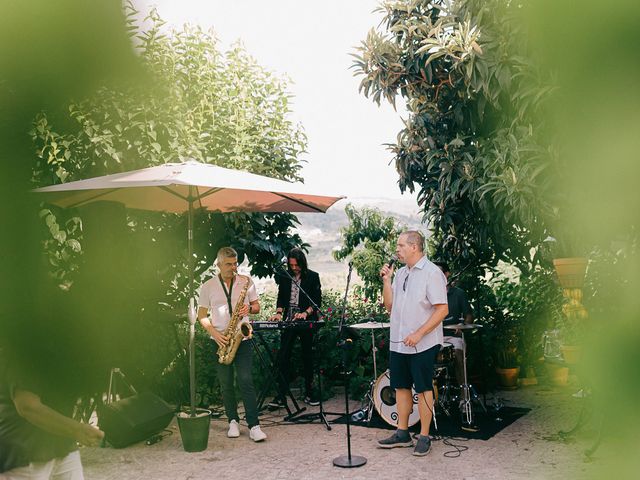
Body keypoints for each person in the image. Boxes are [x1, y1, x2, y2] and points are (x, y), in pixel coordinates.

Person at [377, 231, 448, 457]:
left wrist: (419, 333)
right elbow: (389, 306)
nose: (397, 250)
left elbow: (442, 309)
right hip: (399, 341)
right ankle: (402, 433)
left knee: (424, 388)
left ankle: (425, 435)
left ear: (414, 247)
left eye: (400, 245)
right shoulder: (400, 274)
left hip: (423, 343)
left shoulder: (432, 273)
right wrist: (386, 281)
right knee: (401, 387)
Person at [197, 247, 267, 442]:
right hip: (220, 341)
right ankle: (233, 421)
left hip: (242, 338)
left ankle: (254, 425)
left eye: (235, 263)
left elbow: (256, 306)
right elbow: (201, 316)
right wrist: (216, 335)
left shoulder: (246, 282)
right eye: (229, 264)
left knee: (246, 380)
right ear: (218, 264)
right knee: (226, 383)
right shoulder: (208, 286)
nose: (233, 267)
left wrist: (249, 308)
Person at [0, 349, 104, 479]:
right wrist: (77, 429)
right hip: (25, 451)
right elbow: (28, 407)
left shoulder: (53, 347)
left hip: (62, 443)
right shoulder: (18, 349)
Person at [269, 248, 322, 407]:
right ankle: (281, 395)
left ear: (302, 263)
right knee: (283, 356)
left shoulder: (313, 276)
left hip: (305, 320)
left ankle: (309, 393)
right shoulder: (285, 276)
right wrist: (279, 313)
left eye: (296, 265)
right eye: (291, 265)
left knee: (307, 357)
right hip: (289, 319)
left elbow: (317, 301)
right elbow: (281, 297)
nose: (294, 268)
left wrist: (305, 313)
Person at [434, 261, 474, 387]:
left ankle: (464, 396)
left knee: (458, 354)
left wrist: (463, 327)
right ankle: (430, 398)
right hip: (434, 337)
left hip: (453, 336)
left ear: (447, 274)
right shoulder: (429, 294)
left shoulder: (458, 294)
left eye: (439, 273)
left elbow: (469, 315)